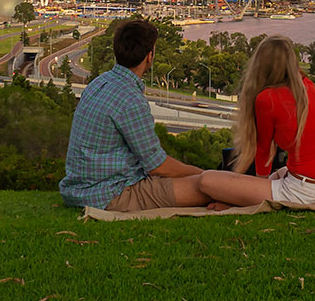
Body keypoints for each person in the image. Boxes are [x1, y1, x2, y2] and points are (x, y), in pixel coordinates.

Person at [58, 19, 210, 211]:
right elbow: (157, 166)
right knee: (209, 188)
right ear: (149, 56)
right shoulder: (130, 99)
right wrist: (203, 174)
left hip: (78, 190)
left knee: (203, 185)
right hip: (110, 194)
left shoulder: (99, 82)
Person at [198, 36, 315, 207]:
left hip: (305, 192)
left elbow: (264, 151)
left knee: (206, 180)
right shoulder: (307, 87)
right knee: (279, 173)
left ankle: (237, 202)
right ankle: (236, 199)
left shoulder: (267, 98)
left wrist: (257, 191)